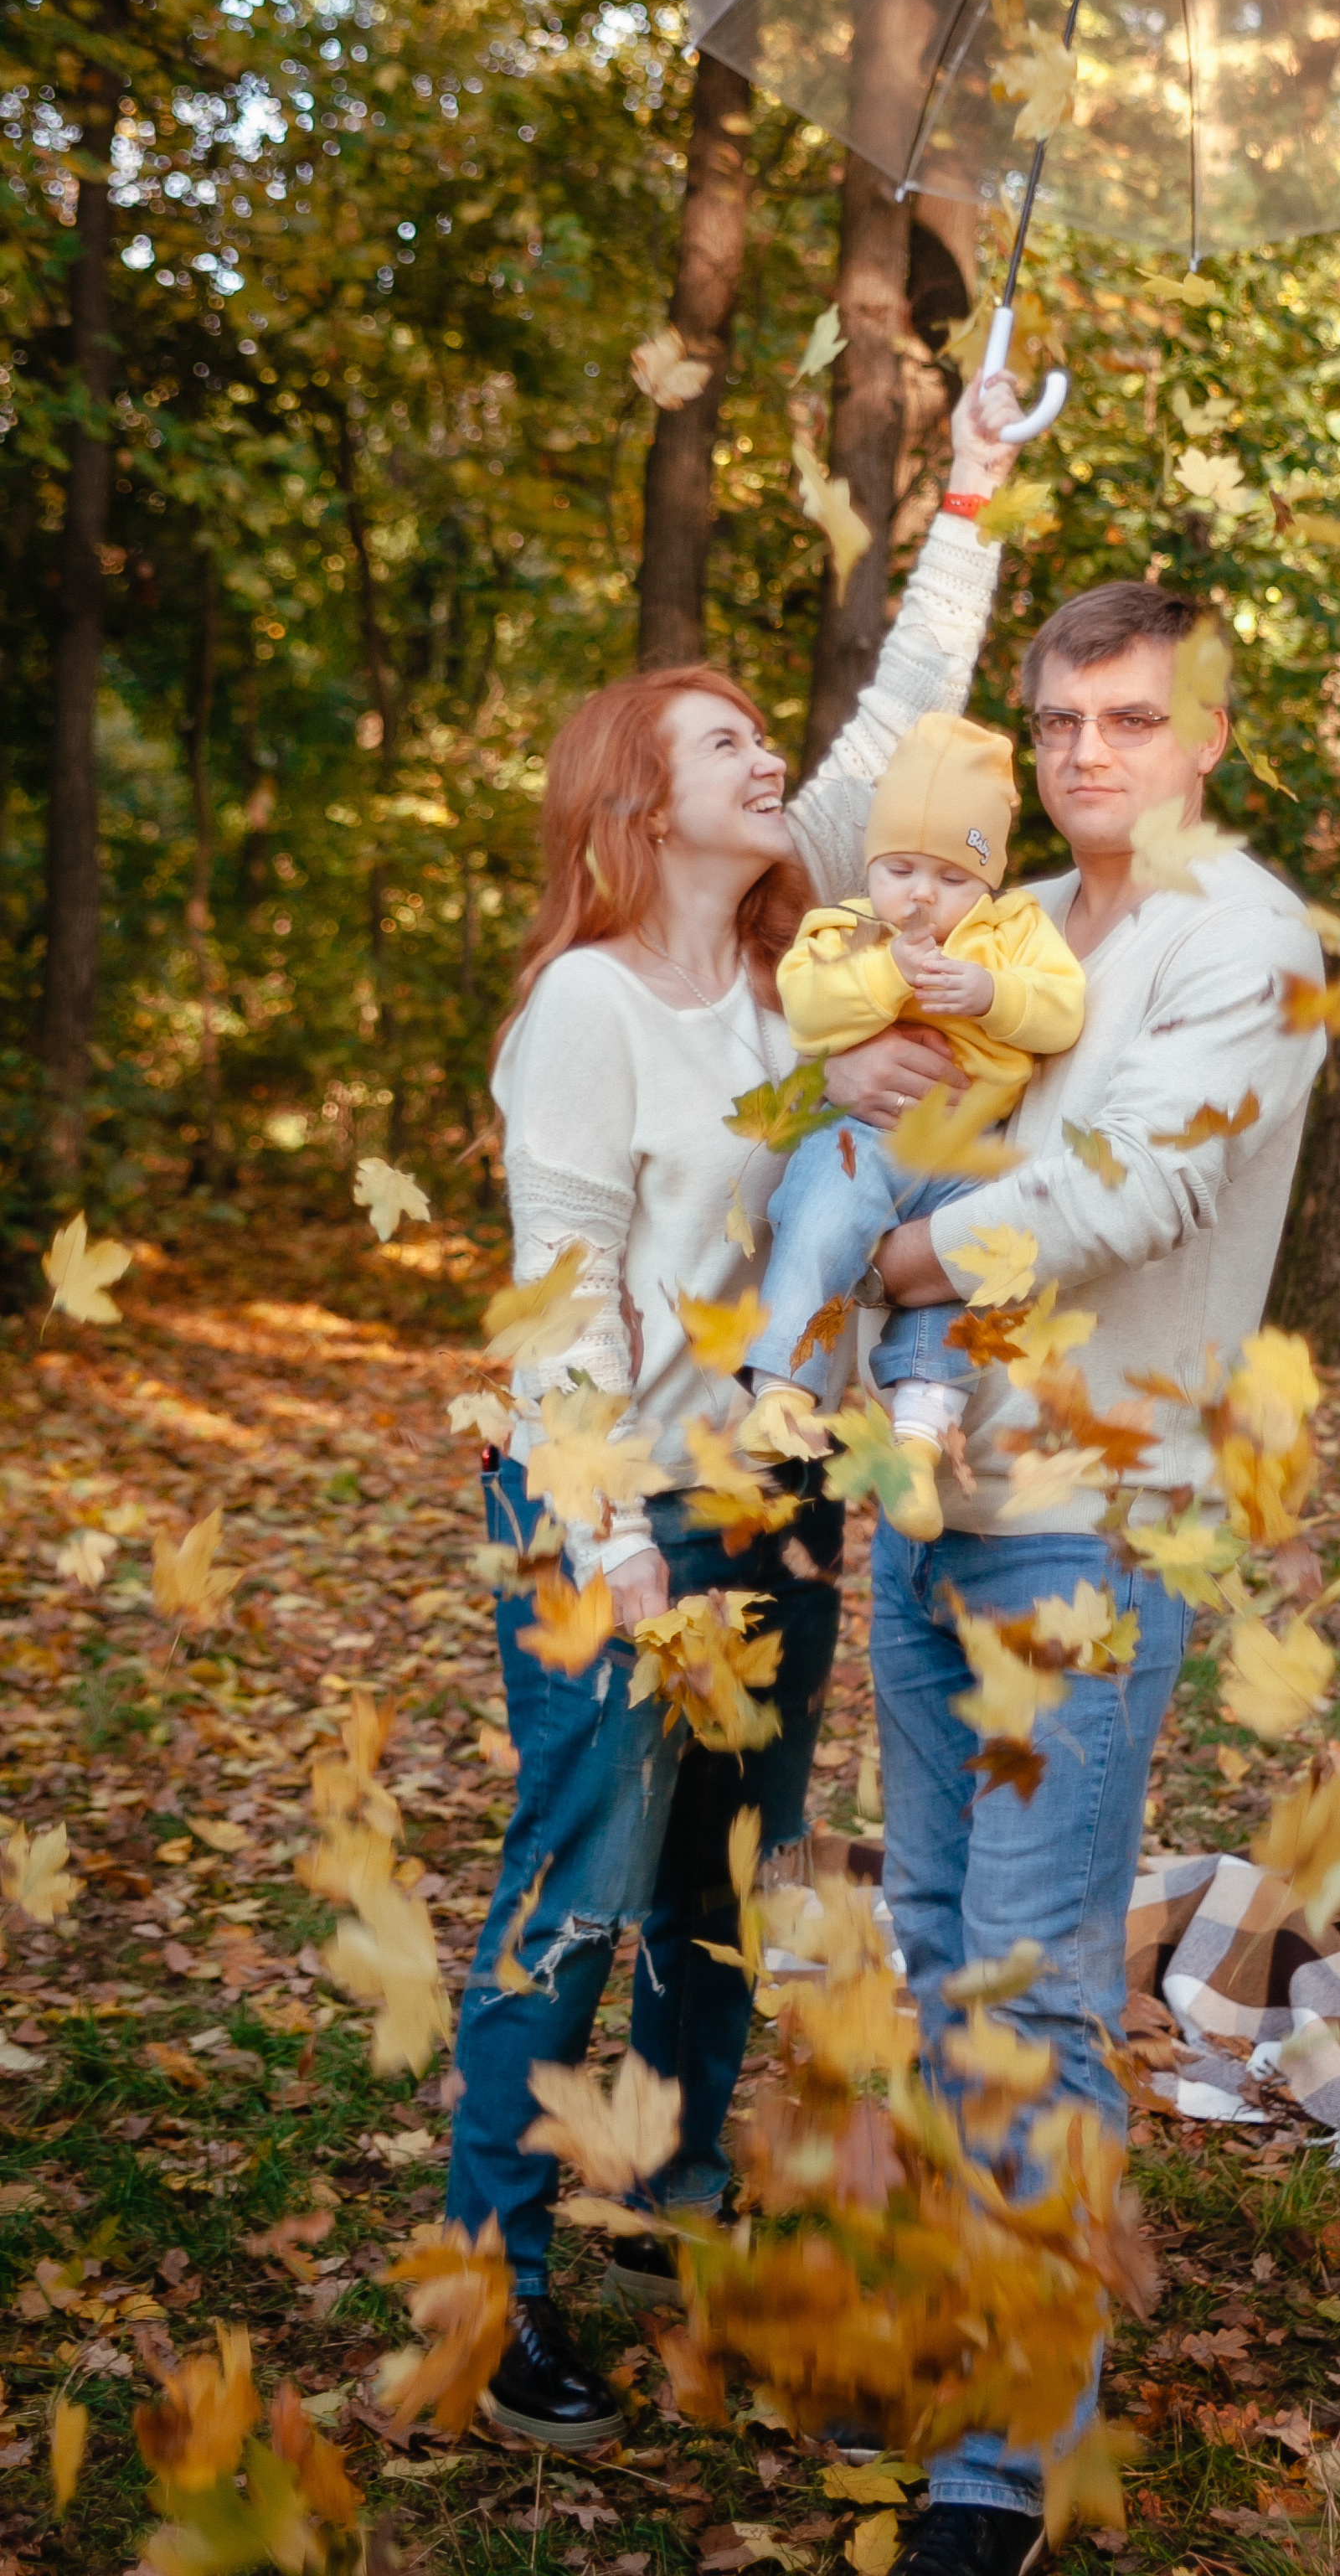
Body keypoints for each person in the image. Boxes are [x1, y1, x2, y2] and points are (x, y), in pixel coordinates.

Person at [442, 372, 1028, 2452]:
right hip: (610, 1518)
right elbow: (562, 1291)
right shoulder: (586, 1008)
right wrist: (604, 1535)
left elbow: (891, 723)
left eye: (758, 742)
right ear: (634, 801)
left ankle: (670, 2193)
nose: (768, 758)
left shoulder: (796, 978)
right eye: (722, 743)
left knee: (715, 1884)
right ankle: (487, 2284)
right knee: (578, 1885)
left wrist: (967, 481)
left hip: (769, 1500)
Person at [863, 583, 1326, 2576]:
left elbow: (1137, 1182)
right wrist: (865, 1099)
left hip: (1094, 1510)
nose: (1084, 755)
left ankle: (1011, 2457)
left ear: (1205, 727)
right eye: (1057, 722)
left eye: (1127, 719)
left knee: (1039, 1982)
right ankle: (979, 2323)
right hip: (927, 1489)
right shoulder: (1013, 920)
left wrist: (906, 1252)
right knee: (938, 1952)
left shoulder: (1248, 939)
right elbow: (894, 1113)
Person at [737, 710, 1085, 1533]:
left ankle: (920, 1444)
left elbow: (1062, 1012)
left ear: (989, 882)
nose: (922, 894)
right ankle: (785, 1390)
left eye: (952, 877)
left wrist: (993, 995)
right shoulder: (844, 930)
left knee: (962, 1283)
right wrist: (888, 976)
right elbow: (810, 1013)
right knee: (818, 1215)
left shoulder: (1013, 934)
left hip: (973, 1149)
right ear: (871, 865)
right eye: (899, 869)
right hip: (870, 1135)